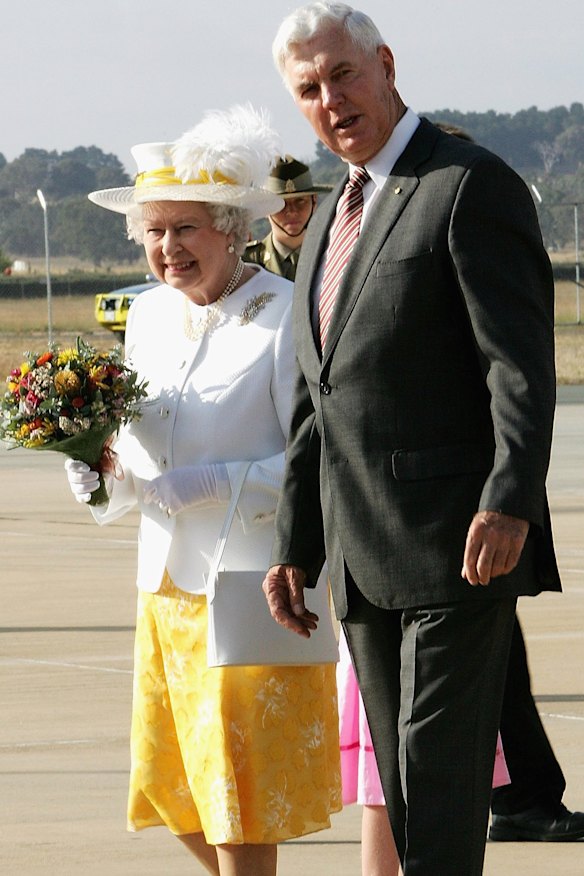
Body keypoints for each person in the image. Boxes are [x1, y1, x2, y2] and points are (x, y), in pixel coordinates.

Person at [262, 4, 561, 875]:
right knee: (402, 787)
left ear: (386, 65)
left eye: (343, 75)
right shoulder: (329, 215)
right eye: (309, 90)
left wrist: (510, 503)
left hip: (456, 547)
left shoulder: (468, 183)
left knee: (435, 784)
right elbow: (321, 396)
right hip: (360, 559)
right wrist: (296, 541)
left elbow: (519, 369)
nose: (331, 100)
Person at [64, 104, 341, 876]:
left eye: (185, 228)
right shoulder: (148, 318)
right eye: (154, 231)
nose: (166, 248)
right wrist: (96, 471)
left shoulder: (289, 318)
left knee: (241, 799)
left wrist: (226, 483)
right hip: (163, 590)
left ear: (232, 228)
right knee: (172, 787)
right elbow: (137, 451)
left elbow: (323, 458)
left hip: (255, 586)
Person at [434, 122, 584, 843]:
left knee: (488, 664)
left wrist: (506, 498)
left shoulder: (468, 219)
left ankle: (522, 794)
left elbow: (517, 373)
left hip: (469, 504)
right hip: (407, 515)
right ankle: (522, 794)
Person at [244, 154, 331, 279]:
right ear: (265, 207)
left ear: (314, 201)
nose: (291, 211)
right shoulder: (246, 263)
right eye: (281, 203)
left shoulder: (334, 254)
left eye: (300, 200)